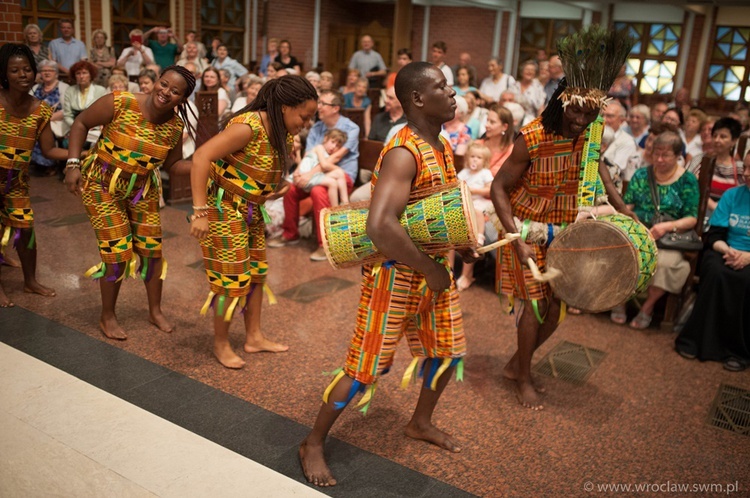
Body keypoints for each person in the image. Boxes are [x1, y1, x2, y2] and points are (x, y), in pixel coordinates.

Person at [299, 62, 472, 487]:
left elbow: (433, 210)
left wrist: (461, 241)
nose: (452, 95)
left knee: (447, 353)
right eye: (442, 87)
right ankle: (313, 442)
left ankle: (420, 422)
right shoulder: (403, 151)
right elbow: (380, 225)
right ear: (417, 99)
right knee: (363, 370)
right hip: (395, 273)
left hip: (432, 268)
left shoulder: (441, 143)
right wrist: (431, 268)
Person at [490, 26, 635, 410]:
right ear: (562, 101)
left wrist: (622, 206)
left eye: (589, 115)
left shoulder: (588, 132)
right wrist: (516, 238)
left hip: (562, 230)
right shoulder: (533, 137)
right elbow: (497, 188)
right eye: (576, 112)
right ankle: (522, 377)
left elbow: (599, 164)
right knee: (535, 305)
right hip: (522, 225)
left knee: (557, 309)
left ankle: (516, 364)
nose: (581, 122)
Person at [189, 75, 316, 368]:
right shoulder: (248, 127)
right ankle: (221, 343)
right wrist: (200, 212)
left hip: (250, 210)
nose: (306, 123)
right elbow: (200, 157)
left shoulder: (282, 130)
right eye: (304, 116)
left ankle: (254, 337)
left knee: (256, 275)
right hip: (224, 208)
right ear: (285, 107)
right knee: (230, 280)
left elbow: (258, 168)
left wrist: (277, 186)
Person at [64, 65, 197, 340]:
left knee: (152, 251)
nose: (165, 93)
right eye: (163, 84)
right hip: (101, 184)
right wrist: (72, 163)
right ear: (155, 81)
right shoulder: (121, 101)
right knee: (117, 251)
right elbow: (80, 123)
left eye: (175, 92)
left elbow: (173, 165)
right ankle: (107, 315)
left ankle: (155, 310)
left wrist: (206, 163)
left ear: (183, 100)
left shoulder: (175, 126)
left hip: (142, 189)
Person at [0, 44, 67, 308]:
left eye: (27, 69)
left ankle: (30, 281)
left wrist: (80, 155)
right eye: (14, 70)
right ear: (4, 74)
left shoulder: (40, 109)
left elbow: (49, 149)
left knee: (25, 230)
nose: (22, 74)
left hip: (16, 182)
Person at [675, 152, 750, 372]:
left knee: (745, 280)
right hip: (726, 250)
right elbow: (715, 235)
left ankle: (739, 350)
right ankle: (697, 341)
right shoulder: (732, 195)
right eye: (745, 168)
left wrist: (747, 257)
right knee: (715, 271)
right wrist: (729, 251)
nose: (746, 174)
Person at [269, 89, 359, 262]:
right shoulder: (317, 127)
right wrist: (298, 171)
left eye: (323, 104)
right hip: (314, 174)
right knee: (291, 188)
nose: (319, 107)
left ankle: (325, 245)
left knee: (318, 191)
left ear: (335, 108)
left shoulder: (351, 128)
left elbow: (336, 157)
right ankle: (290, 234)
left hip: (340, 176)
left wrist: (308, 174)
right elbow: (309, 154)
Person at [621, 132, 699, 329]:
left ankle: (647, 307)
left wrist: (666, 226)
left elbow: (691, 218)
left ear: (678, 156)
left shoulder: (687, 180)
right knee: (620, 253)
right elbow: (627, 206)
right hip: (639, 231)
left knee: (664, 263)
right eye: (656, 154)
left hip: (668, 236)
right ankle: (619, 301)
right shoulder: (641, 175)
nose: (660, 159)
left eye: (666, 155)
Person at [455, 142, 493, 290]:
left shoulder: (485, 173)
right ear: (467, 158)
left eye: (479, 157)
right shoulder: (464, 172)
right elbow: (456, 184)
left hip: (479, 203)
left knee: (476, 212)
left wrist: (473, 190)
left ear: (485, 161)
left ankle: (479, 236)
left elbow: (489, 190)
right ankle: (451, 271)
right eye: (472, 156)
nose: (475, 160)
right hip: (465, 203)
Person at [30, 60, 69, 176]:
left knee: (42, 130)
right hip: (36, 119)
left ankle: (48, 164)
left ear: (56, 73)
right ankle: (35, 162)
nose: (46, 73)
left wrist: (48, 118)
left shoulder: (64, 87)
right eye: (43, 71)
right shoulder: (36, 87)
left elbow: (67, 110)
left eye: (50, 70)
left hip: (57, 121)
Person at [296, 129, 350, 206]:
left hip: (313, 177)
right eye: (332, 142)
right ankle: (338, 208)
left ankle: (344, 203)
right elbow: (324, 165)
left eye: (337, 146)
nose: (333, 147)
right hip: (304, 178)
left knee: (336, 179)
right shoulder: (319, 148)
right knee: (336, 177)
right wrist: (338, 168)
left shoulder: (328, 155)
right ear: (325, 139)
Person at [63, 60, 107, 148]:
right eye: (78, 73)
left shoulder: (100, 90)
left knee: (94, 144)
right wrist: (78, 128)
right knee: (66, 143)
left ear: (91, 75)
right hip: (74, 128)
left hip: (94, 129)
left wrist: (89, 128)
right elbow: (67, 115)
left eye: (84, 73)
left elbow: (103, 115)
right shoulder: (70, 90)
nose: (81, 76)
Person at [707, 117, 744, 216]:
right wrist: (713, 206)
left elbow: (742, 197)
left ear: (734, 141)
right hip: (702, 215)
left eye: (723, 137)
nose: (717, 140)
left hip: (729, 216)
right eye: (714, 136)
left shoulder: (740, 168)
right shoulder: (700, 161)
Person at [478, 104, 513, 176]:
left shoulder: (511, 151)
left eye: (492, 122)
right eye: (487, 120)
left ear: (504, 127)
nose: (486, 125)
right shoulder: (477, 145)